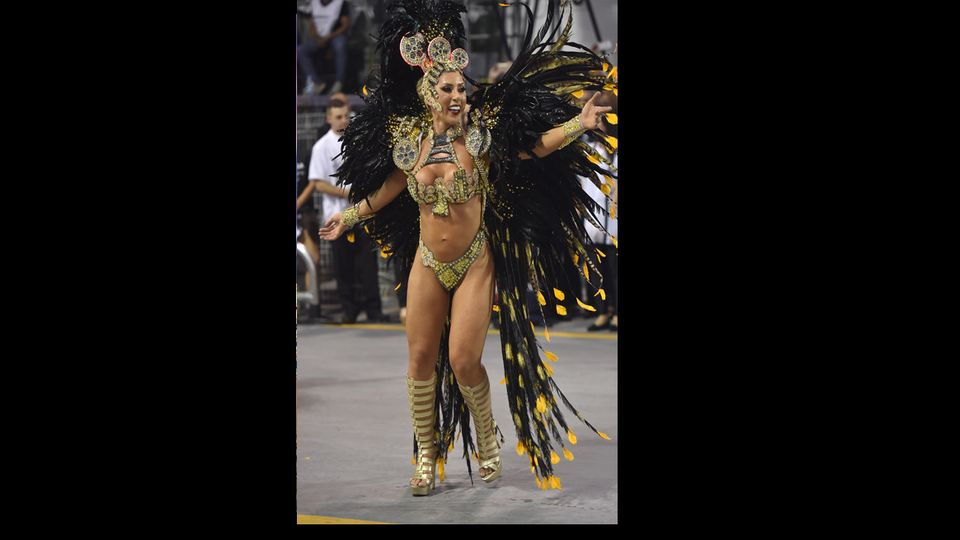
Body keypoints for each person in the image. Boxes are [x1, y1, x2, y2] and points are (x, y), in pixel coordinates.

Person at [320, 0, 617, 495]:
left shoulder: (482, 139)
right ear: (428, 92)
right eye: (448, 88)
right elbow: (386, 191)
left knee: (462, 360)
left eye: (462, 87)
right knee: (419, 361)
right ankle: (426, 456)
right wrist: (347, 216)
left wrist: (579, 125)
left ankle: (487, 436)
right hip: (428, 263)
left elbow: (534, 146)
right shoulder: (409, 144)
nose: (458, 95)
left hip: (474, 261)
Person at [309, 98, 384, 323]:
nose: (343, 121)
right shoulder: (321, 146)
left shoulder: (359, 141)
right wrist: (346, 193)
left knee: (368, 264)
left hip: (362, 213)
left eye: (346, 116)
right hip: (337, 213)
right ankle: (349, 310)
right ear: (328, 118)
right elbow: (318, 182)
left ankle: (374, 308)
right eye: (338, 117)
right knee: (343, 266)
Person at [298, 0, 351, 95]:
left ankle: (339, 82)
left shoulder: (341, 3)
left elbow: (345, 25)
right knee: (301, 51)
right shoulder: (314, 3)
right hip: (319, 38)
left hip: (334, 36)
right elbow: (312, 25)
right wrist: (317, 38)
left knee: (341, 45)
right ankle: (315, 82)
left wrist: (329, 37)